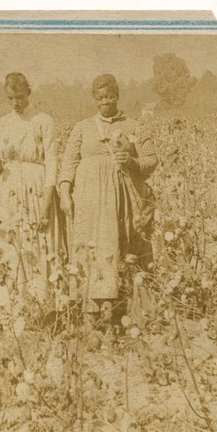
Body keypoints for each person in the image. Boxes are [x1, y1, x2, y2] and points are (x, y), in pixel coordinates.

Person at [58, 73, 158, 320]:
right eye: (100, 97)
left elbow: (152, 160)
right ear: (95, 99)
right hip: (88, 202)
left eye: (110, 96)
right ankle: (89, 307)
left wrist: (133, 162)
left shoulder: (134, 126)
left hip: (121, 201)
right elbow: (69, 161)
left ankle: (119, 308)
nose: (105, 102)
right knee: (89, 248)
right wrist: (64, 192)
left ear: (117, 96)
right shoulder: (82, 127)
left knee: (120, 246)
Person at [0, 72, 61, 315]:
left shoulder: (43, 121)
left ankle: (36, 308)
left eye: (19, 97)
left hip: (35, 190)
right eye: (10, 99)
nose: (15, 103)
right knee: (6, 242)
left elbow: (52, 165)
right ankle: (5, 306)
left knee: (33, 244)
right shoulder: (3, 123)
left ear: (29, 93)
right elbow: (1, 161)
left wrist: (46, 206)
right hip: (7, 189)